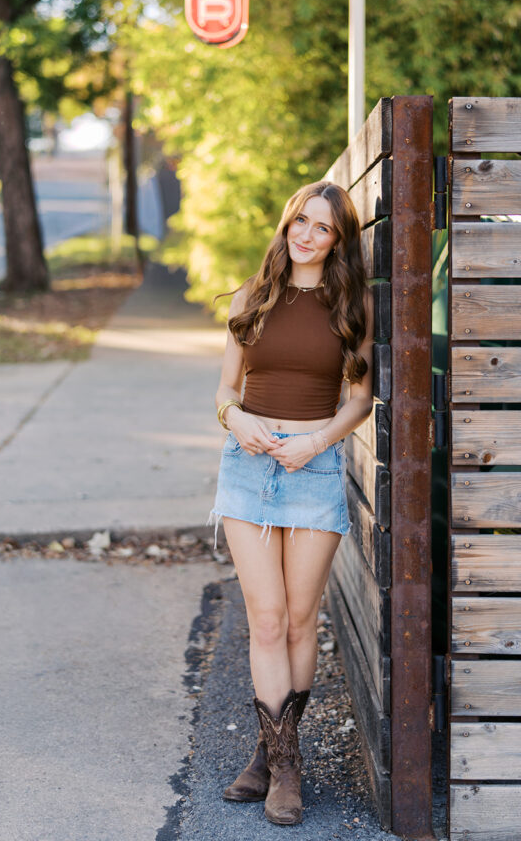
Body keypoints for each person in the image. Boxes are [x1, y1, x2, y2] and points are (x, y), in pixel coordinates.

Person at [208, 180, 373, 826]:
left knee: (300, 621)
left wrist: (315, 441)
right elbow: (224, 388)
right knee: (267, 619)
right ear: (286, 224)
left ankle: (270, 754)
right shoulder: (255, 294)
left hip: (313, 466)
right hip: (246, 466)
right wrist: (234, 418)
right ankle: (284, 767)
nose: (306, 234)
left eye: (322, 227)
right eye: (299, 221)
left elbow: (358, 399)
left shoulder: (351, 303)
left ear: (338, 240)